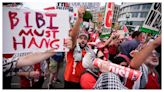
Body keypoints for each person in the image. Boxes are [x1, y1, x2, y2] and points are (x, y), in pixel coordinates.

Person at [64, 6, 95, 89]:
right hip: (69, 80)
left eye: (85, 38)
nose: (83, 40)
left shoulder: (89, 51)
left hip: (81, 81)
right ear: (77, 39)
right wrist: (79, 18)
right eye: (80, 38)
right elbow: (73, 35)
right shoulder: (73, 47)